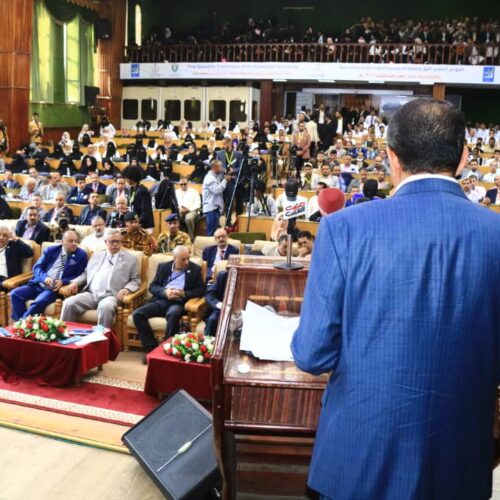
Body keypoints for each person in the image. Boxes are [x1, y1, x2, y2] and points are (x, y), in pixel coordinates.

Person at [291, 98, 500, 500]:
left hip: (357, 461)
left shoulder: (342, 230)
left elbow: (312, 355)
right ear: (463, 157)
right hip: (457, 461)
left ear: (391, 158)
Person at [132, 245, 204, 359]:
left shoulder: (194, 269)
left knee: (173, 313)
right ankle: (152, 348)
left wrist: (183, 294)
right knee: (137, 314)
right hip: (161, 300)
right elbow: (153, 286)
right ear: (174, 258)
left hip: (179, 303)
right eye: (183, 259)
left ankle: (167, 348)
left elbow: (201, 290)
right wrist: (165, 292)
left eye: (188, 258)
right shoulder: (163, 267)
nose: (187, 262)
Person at [61, 229, 140, 328]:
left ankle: (101, 340)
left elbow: (135, 280)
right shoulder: (97, 254)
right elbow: (86, 274)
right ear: (106, 242)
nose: (115, 244)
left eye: (118, 241)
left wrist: (127, 289)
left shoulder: (130, 259)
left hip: (110, 295)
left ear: (121, 242)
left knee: (105, 307)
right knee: (68, 303)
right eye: (112, 241)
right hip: (91, 293)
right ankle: (64, 336)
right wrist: (75, 283)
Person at [11, 230, 87, 320]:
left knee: (38, 302)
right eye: (71, 241)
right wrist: (45, 278)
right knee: (15, 294)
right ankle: (21, 326)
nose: (74, 244)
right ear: (62, 242)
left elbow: (80, 275)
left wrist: (63, 281)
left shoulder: (81, 254)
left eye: (76, 241)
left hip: (54, 289)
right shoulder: (51, 250)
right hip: (39, 284)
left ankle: (21, 325)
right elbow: (37, 268)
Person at [0, 226, 34, 292]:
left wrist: (16, 239)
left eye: (5, 235)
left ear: (9, 237)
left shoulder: (14, 245)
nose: (1, 237)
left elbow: (29, 253)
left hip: (7, 280)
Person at [202, 160, 231, 236]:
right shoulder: (210, 178)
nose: (221, 168)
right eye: (220, 166)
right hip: (211, 209)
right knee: (211, 232)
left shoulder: (215, 177)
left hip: (214, 208)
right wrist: (225, 180)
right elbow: (217, 190)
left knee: (214, 232)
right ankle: (209, 247)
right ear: (215, 167)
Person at [123, 165, 154, 230]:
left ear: (132, 177)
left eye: (126, 177)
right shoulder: (132, 189)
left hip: (144, 226)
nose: (125, 179)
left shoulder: (143, 190)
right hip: (135, 224)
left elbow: (145, 211)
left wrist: (138, 223)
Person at [175, 177, 201, 241]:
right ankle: (180, 237)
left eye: (185, 184)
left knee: (188, 218)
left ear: (187, 183)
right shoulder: (176, 192)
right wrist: (179, 209)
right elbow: (174, 203)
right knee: (176, 217)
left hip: (192, 210)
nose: (183, 185)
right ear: (179, 184)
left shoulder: (194, 191)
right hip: (180, 211)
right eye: (181, 184)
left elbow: (198, 204)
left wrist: (189, 209)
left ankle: (191, 238)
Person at [204, 270, 228, 336]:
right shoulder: (223, 275)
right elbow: (209, 295)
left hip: (244, 311)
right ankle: (208, 343)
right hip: (222, 309)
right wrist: (219, 304)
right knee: (212, 319)